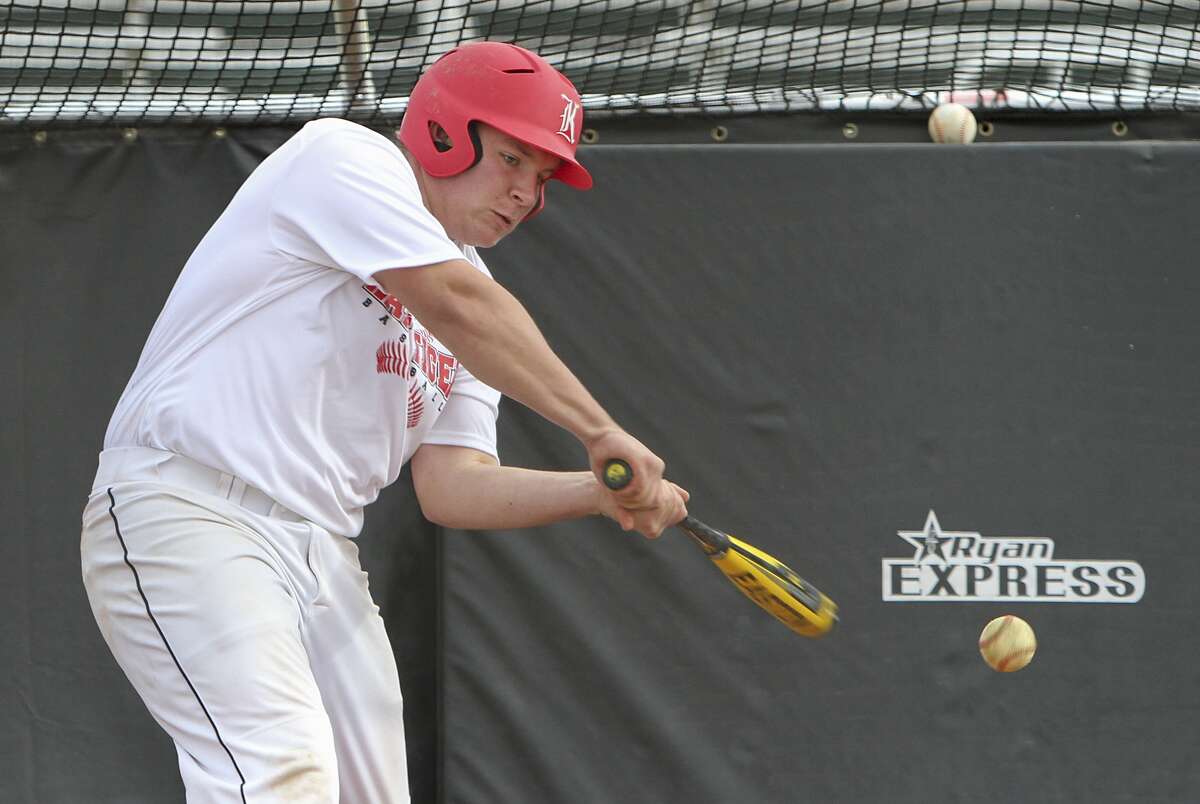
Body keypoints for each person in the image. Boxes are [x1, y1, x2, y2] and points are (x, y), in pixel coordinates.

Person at [80, 41, 688, 803]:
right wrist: (598, 431)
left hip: (322, 554)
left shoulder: (475, 305)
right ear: (443, 131)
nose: (525, 193)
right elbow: (456, 303)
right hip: (191, 509)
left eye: (541, 178)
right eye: (512, 159)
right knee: (278, 772)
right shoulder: (345, 158)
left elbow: (454, 486)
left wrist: (597, 492)